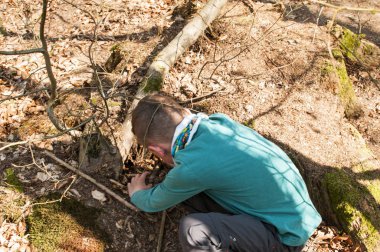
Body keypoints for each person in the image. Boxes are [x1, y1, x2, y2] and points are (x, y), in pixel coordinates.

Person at [128, 94, 321, 252]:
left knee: (193, 231)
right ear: (185, 112)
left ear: (156, 150)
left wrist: (138, 194)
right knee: (188, 194)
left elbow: (152, 203)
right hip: (294, 218)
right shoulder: (218, 122)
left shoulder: (192, 167)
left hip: (285, 237)